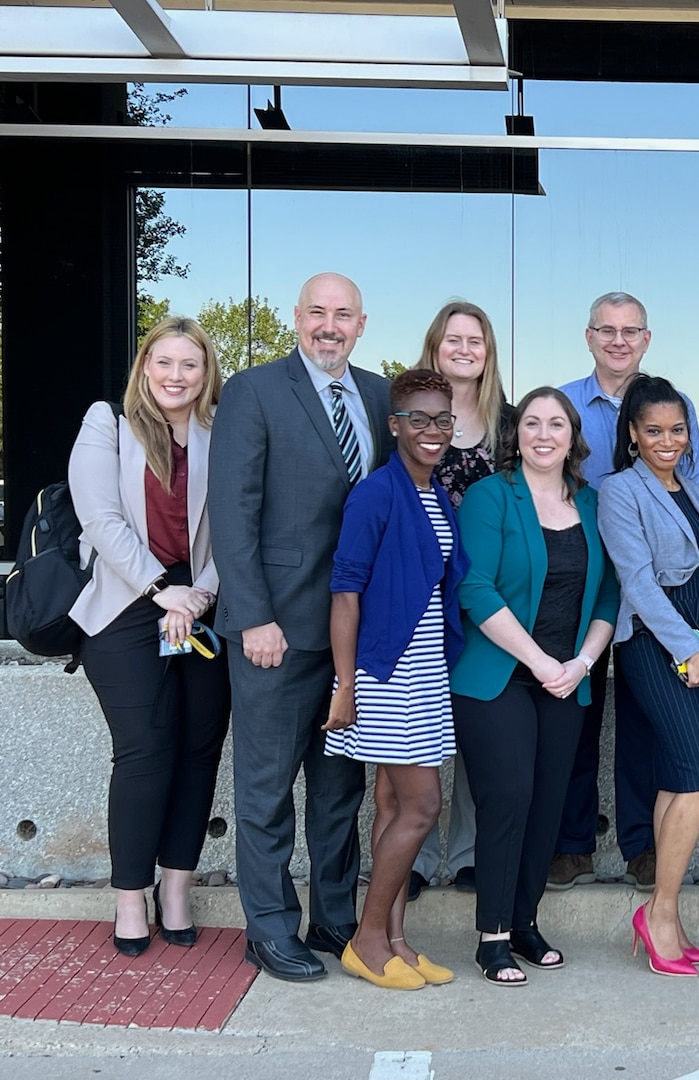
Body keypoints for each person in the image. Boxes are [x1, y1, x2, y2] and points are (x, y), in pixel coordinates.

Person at [210, 272, 392, 982]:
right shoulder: (254, 392)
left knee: (340, 788)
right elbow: (233, 512)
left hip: (352, 636)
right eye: (317, 312)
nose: (329, 325)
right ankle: (269, 927)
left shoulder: (380, 396)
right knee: (265, 790)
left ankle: (333, 916)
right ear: (296, 318)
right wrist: (254, 617)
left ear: (361, 323)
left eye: (342, 314)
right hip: (275, 635)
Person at [69, 316, 229, 956]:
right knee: (144, 750)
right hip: (125, 604)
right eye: (164, 362)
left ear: (205, 372)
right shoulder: (106, 421)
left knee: (199, 749)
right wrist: (162, 590)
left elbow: (239, 522)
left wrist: (202, 592)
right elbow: (100, 517)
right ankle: (130, 897)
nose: (176, 375)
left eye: (189, 364)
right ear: (144, 366)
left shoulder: (223, 429)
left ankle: (175, 890)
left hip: (206, 605)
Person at [450, 387, 619, 987]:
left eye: (556, 424)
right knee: (510, 797)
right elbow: (476, 590)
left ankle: (523, 922)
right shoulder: (491, 496)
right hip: (497, 679)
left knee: (547, 806)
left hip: (567, 680)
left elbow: (607, 594)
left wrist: (580, 662)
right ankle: (491, 937)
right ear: (515, 433)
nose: (543, 434)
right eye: (531, 424)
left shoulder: (594, 504)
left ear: (573, 437)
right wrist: (542, 661)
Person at [553, 292, 699, 892]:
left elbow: (689, 494)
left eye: (631, 331)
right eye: (607, 330)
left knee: (649, 715)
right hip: (581, 578)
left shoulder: (674, 406)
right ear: (589, 336)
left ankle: (643, 844)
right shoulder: (562, 403)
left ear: (647, 339)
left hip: (656, 587)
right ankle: (572, 844)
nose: (619, 341)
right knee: (576, 710)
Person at [322, 369, 468, 991]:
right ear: (395, 424)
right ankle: (364, 939)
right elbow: (346, 593)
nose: (432, 431)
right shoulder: (376, 493)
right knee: (423, 805)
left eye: (443, 420)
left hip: (426, 671)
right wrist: (346, 682)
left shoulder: (435, 493)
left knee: (391, 804)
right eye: (419, 419)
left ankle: (396, 940)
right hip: (387, 674)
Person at [597, 375, 699, 978]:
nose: (667, 440)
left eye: (677, 430)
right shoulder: (617, 491)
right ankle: (659, 913)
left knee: (676, 780)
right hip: (656, 642)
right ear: (632, 434)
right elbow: (637, 584)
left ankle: (668, 914)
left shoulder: (694, 488)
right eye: (653, 430)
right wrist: (690, 651)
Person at [410, 299, 514, 901]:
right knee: (418, 723)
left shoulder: (510, 419)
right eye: (454, 339)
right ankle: (418, 856)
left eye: (475, 340)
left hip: (487, 596)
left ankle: (472, 853)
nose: (465, 349)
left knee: (482, 722)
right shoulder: (404, 413)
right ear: (435, 344)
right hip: (421, 593)